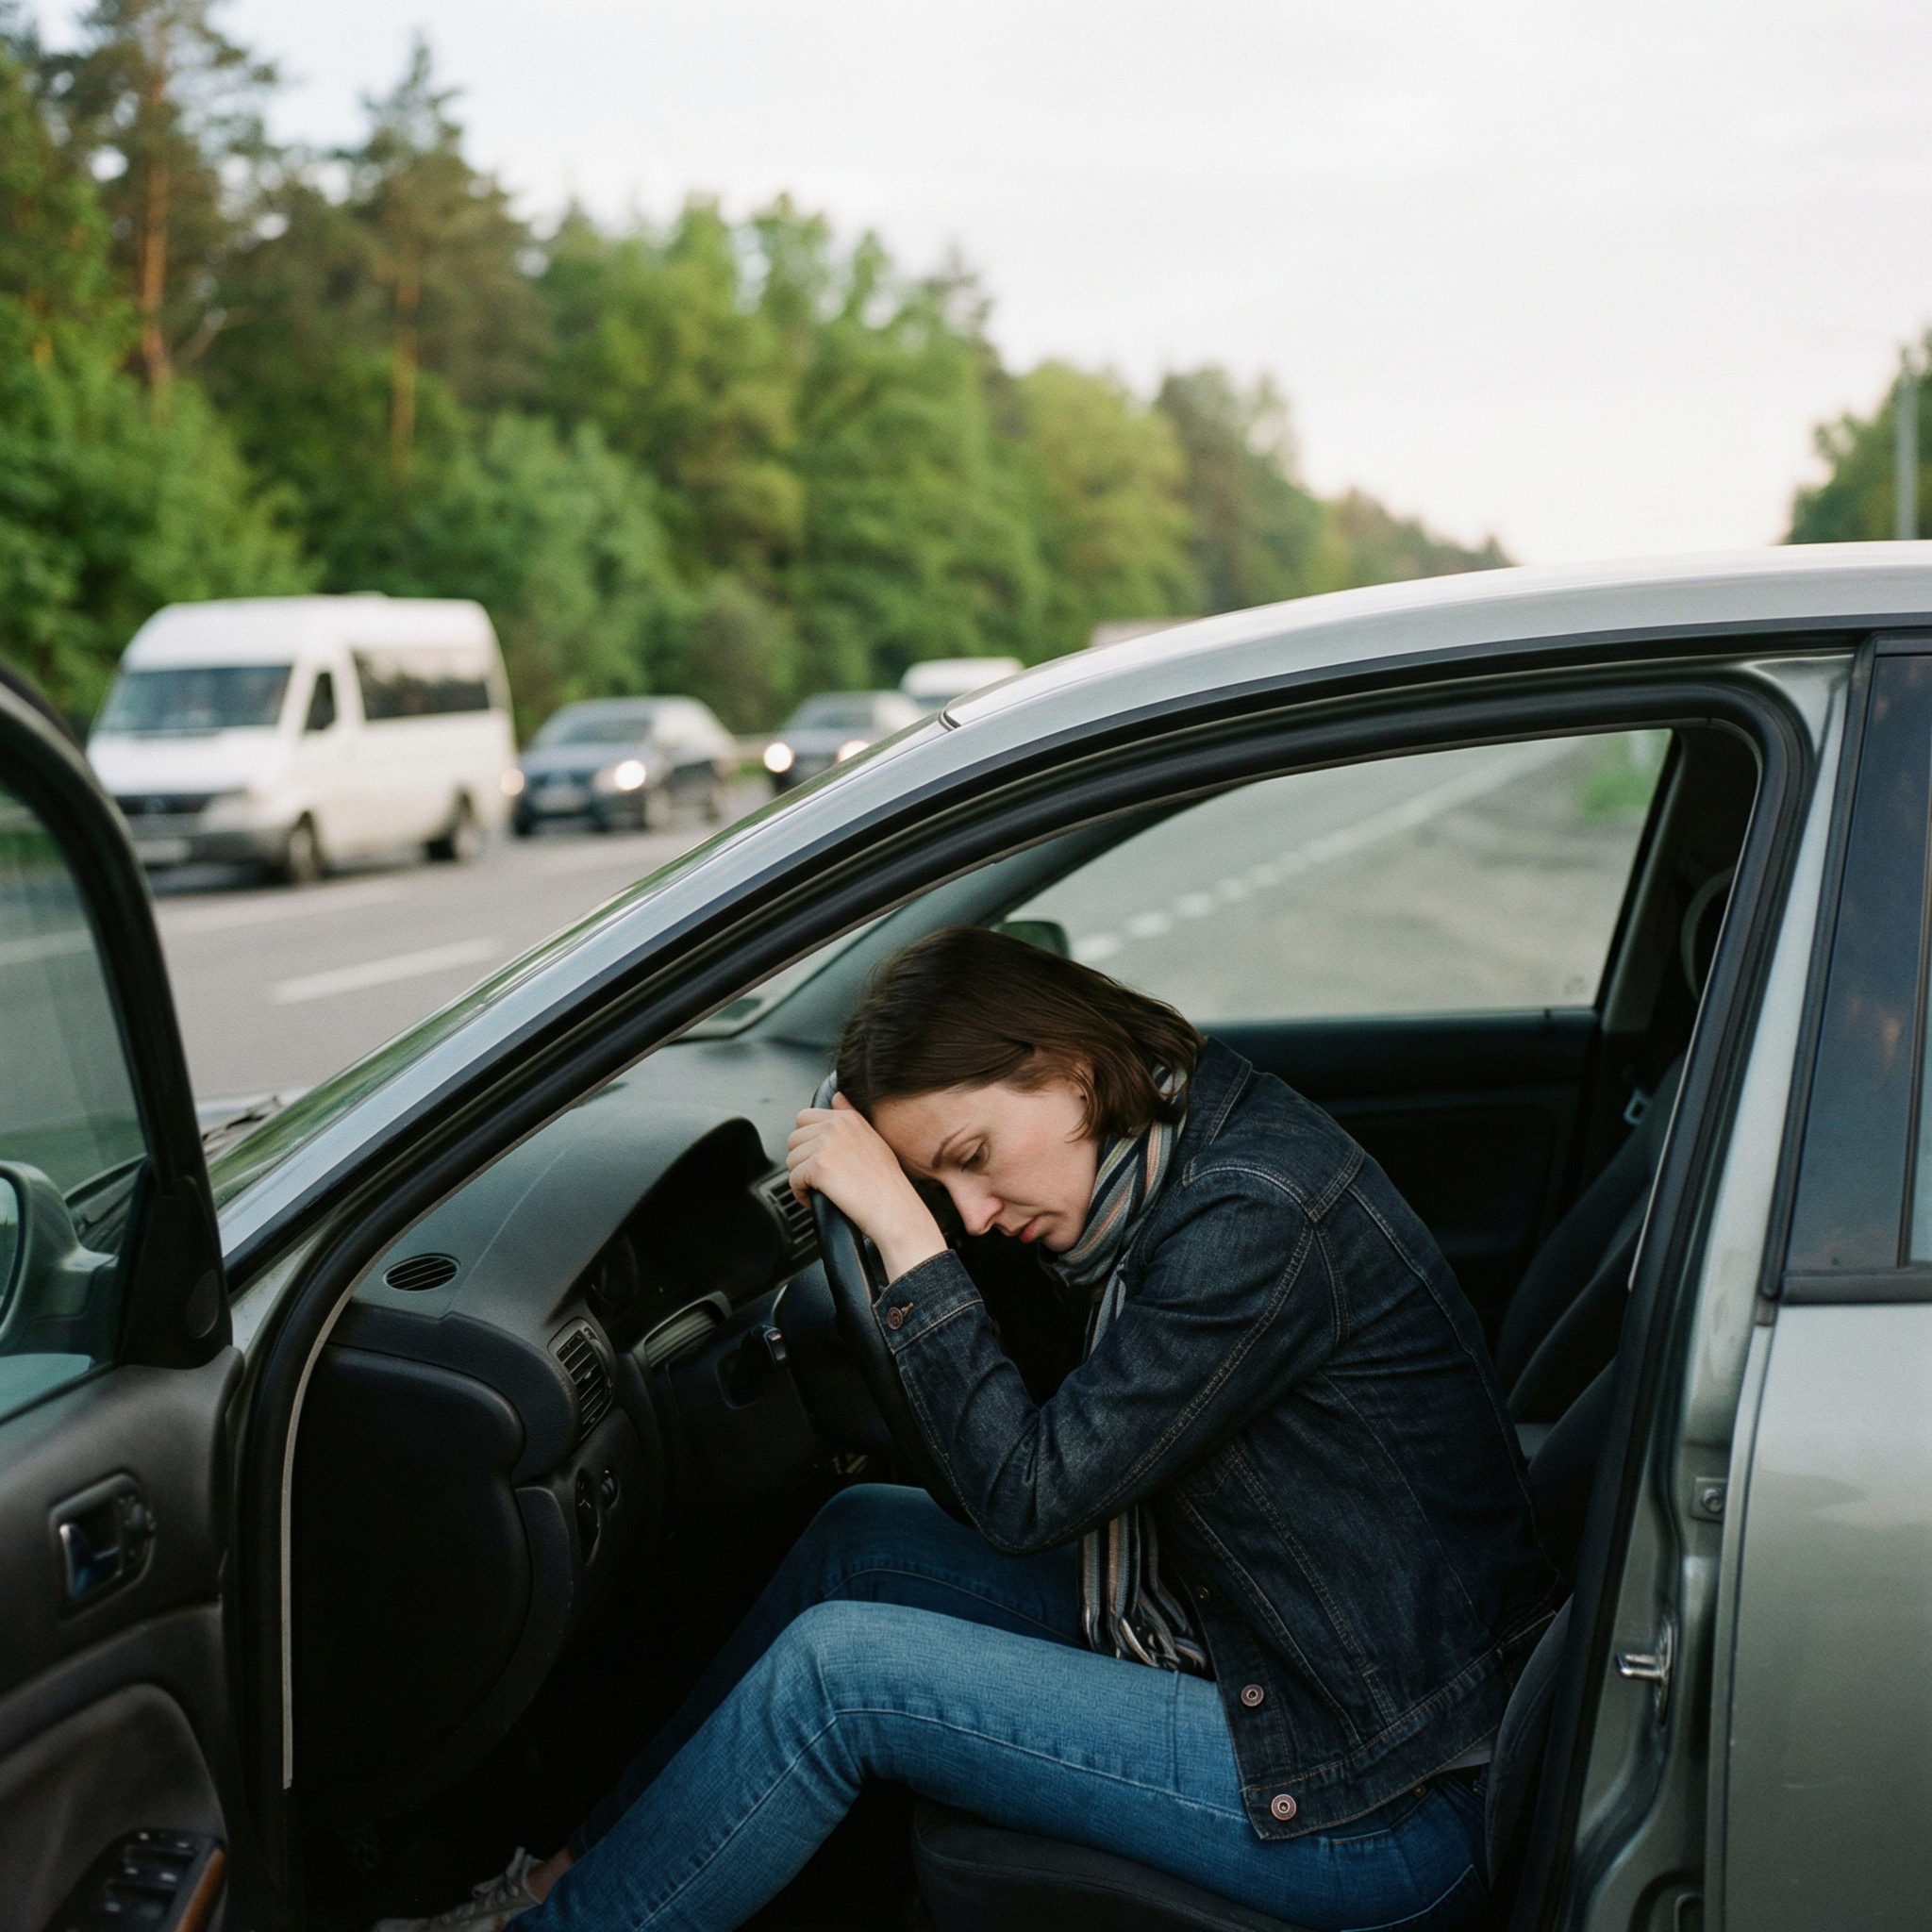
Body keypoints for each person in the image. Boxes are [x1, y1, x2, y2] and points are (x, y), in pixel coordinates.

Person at [381, 925, 1558, 1932]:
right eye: (945, 1188)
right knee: (860, 1536)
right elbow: (1050, 1429)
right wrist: (917, 1227)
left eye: (971, 1160)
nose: (978, 1214)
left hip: (1381, 1797)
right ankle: (563, 1877)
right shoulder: (1169, 1146)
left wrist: (905, 1232)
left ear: (1065, 1070)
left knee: (842, 1676)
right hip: (1291, 1649)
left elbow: (1030, 1489)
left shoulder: (1247, 1220)